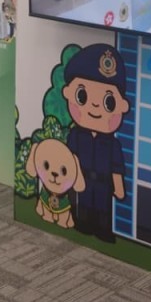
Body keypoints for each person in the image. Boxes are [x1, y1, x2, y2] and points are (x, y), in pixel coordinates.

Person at [62, 44, 130, 243]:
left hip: (103, 184)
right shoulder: (75, 135)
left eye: (108, 102)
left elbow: (116, 168)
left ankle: (103, 230)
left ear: (121, 106)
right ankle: (82, 224)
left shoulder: (112, 144)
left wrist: (118, 187)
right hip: (82, 180)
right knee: (83, 207)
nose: (94, 105)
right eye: (82, 96)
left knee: (102, 210)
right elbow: (71, 159)